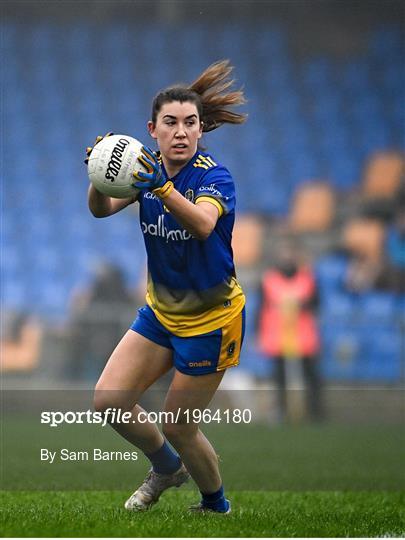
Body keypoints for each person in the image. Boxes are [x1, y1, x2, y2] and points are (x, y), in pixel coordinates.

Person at [85, 60, 247, 514]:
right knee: (109, 401)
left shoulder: (214, 177)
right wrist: (99, 176)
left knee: (178, 423)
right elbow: (100, 209)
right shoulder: (147, 169)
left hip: (212, 320)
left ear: (201, 130)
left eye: (190, 124)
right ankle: (167, 469)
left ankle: (216, 506)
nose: (181, 132)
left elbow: (202, 225)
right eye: (171, 123)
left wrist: (161, 189)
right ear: (152, 129)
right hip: (161, 311)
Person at [257, 243, 323, 422]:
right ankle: (281, 412)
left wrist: (301, 306)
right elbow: (261, 309)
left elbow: (316, 303)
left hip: (303, 334)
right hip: (277, 335)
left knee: (312, 376)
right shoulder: (268, 279)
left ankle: (315, 414)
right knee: (279, 378)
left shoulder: (307, 278)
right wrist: (259, 333)